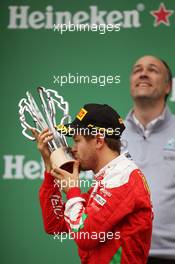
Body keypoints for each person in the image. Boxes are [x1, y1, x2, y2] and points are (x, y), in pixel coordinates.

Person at [32, 103, 153, 264]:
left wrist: (73, 191)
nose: (72, 149)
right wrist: (50, 166)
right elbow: (55, 224)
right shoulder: (108, 179)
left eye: (77, 140)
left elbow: (86, 236)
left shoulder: (122, 178)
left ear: (98, 140)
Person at [122, 55, 175, 264]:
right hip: (121, 255)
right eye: (137, 70)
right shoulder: (110, 136)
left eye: (153, 69)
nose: (143, 73)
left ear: (168, 86)